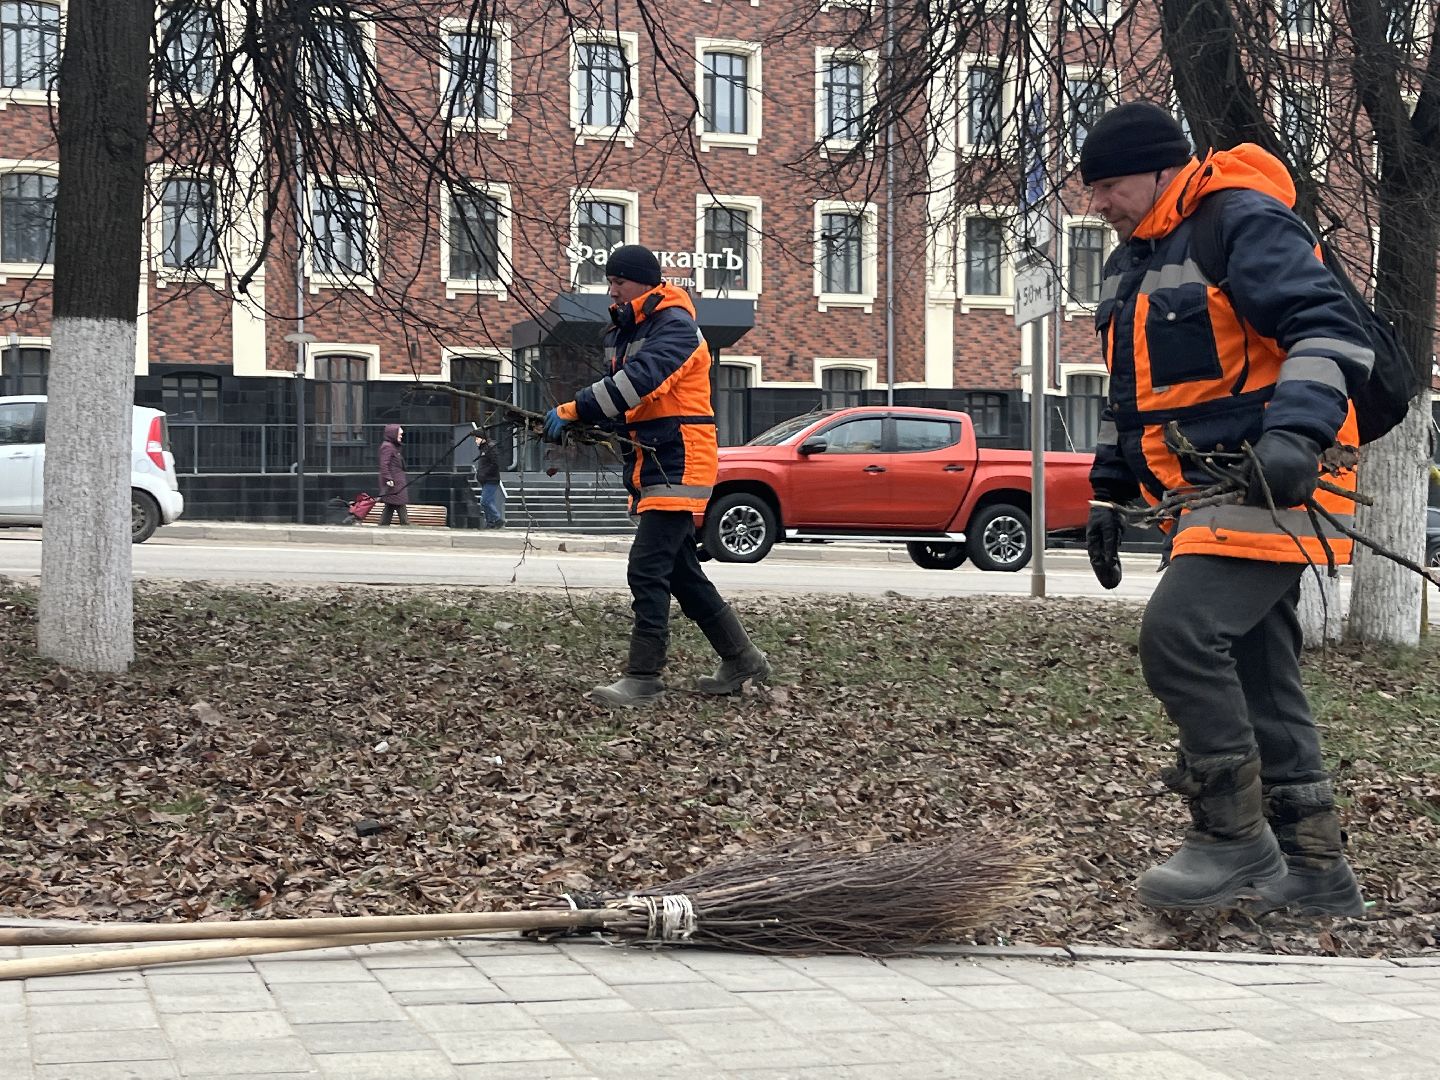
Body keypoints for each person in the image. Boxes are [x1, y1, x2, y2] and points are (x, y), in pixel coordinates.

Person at [1080, 102, 1369, 916]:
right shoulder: (1132, 262)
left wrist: (1297, 435)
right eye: (1091, 187)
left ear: (1164, 169)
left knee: (1180, 635)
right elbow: (1132, 399)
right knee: (1259, 673)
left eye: (1109, 184)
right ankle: (1317, 873)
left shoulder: (1240, 220)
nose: (1096, 203)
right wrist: (1108, 492)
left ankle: (1232, 838)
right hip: (1198, 493)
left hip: (1274, 479)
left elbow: (1327, 328)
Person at [543, 243, 771, 707]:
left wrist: (573, 409)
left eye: (618, 282)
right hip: (656, 459)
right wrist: (586, 423)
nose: (612, 291)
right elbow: (635, 406)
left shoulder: (677, 328)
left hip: (679, 461)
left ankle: (643, 676)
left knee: (646, 568)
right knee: (683, 574)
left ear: (644, 282)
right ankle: (743, 659)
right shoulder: (631, 330)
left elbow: (637, 383)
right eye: (609, 283)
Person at [377, 423, 409, 526]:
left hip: (396, 481)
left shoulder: (392, 446)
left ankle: (383, 524)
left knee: (391, 504)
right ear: (393, 434)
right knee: (399, 502)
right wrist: (388, 478)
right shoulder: (387, 447)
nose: (401, 436)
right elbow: (384, 464)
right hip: (394, 482)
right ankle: (405, 523)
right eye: (399, 434)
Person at [472, 431, 505, 528]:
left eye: (477, 439)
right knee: (488, 502)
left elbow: (494, 464)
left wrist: (484, 473)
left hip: (491, 479)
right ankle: (490, 523)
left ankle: (498, 519)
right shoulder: (483, 448)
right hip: (486, 479)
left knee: (484, 501)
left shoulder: (490, 447)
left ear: (483, 438)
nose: (475, 441)